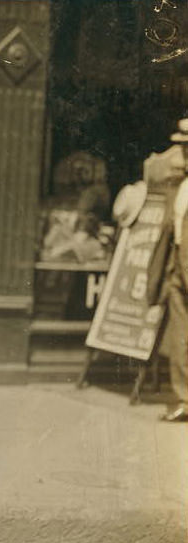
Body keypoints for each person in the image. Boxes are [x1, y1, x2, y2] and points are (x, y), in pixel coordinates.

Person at [147, 119, 188, 422]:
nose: (183, 155)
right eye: (183, 148)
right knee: (180, 337)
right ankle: (184, 398)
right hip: (179, 269)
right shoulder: (180, 185)